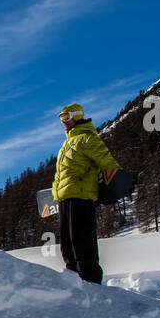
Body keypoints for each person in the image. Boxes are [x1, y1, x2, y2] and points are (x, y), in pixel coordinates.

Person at [52, 103, 119, 284]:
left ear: (77, 116)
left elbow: (109, 164)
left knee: (82, 243)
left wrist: (107, 189)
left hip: (82, 197)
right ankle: (74, 283)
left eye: (66, 118)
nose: (63, 122)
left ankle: (91, 282)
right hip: (65, 197)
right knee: (67, 246)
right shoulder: (67, 143)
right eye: (61, 119)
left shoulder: (88, 139)